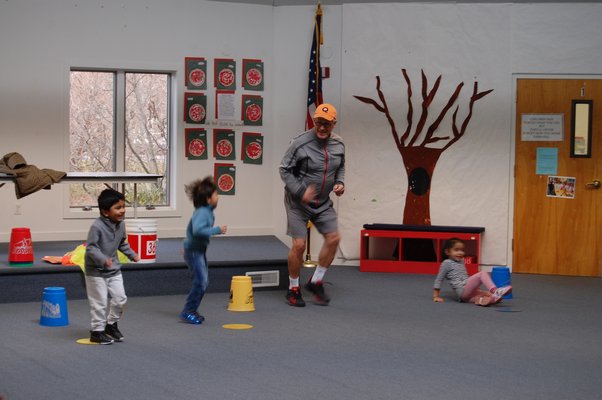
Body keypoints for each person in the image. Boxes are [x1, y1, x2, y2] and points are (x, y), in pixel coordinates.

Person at [279, 103, 345, 307]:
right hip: (297, 202)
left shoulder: (339, 144)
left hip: (323, 202)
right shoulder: (299, 143)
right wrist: (300, 191)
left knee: (333, 238)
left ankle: (316, 281)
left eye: (326, 124)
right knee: (299, 245)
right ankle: (293, 288)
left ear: (334, 123)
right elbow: (284, 170)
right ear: (314, 122)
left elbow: (340, 167)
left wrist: (340, 183)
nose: (322, 128)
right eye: (318, 123)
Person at [84, 189, 139, 345]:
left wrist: (132, 254)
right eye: (118, 207)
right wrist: (103, 259)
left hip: (113, 269)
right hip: (96, 271)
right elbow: (91, 248)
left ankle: (111, 324)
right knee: (99, 302)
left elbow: (122, 243)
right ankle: (97, 331)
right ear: (105, 212)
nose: (122, 210)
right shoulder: (97, 226)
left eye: (123, 206)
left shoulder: (121, 225)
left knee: (120, 298)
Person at [180, 176, 227, 324]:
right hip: (194, 251)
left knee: (202, 282)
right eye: (216, 195)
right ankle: (188, 311)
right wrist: (217, 229)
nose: (218, 197)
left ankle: (191, 309)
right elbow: (198, 230)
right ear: (208, 199)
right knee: (201, 282)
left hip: (197, 250)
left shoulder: (206, 211)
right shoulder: (202, 212)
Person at [433, 238, 512, 306]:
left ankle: (483, 300)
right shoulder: (446, 263)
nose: (460, 252)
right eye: (456, 250)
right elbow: (439, 279)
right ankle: (495, 291)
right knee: (482, 274)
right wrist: (435, 296)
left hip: (464, 295)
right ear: (447, 252)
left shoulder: (461, 261)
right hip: (462, 290)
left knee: (488, 294)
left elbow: (464, 276)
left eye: (462, 250)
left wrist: (475, 287)